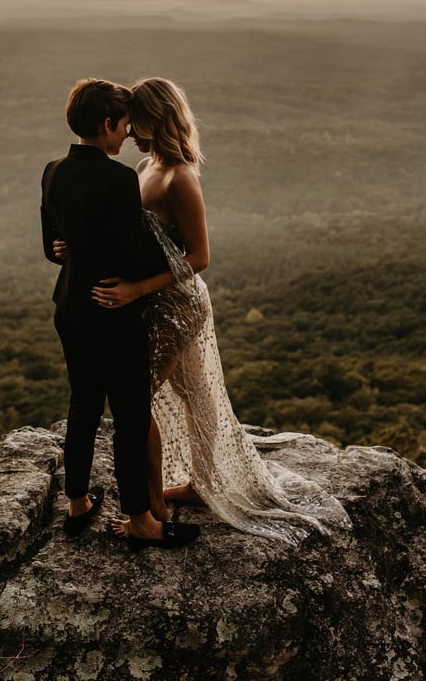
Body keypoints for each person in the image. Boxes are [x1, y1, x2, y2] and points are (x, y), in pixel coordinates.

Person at [90, 77, 352, 544]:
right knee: (194, 396)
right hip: (156, 300)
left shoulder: (180, 176)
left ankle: (149, 512)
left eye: (138, 122)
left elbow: (199, 257)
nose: (129, 132)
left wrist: (134, 291)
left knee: (137, 402)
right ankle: (201, 483)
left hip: (177, 305)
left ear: (158, 118)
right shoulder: (145, 166)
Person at [40, 78, 200, 550]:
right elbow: (135, 254)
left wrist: (70, 248)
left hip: (69, 306)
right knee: (130, 413)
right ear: (107, 124)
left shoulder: (51, 170)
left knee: (83, 403)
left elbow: (53, 245)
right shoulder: (119, 178)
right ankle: (142, 520)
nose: (127, 136)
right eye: (124, 126)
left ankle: (76, 504)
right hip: (112, 307)